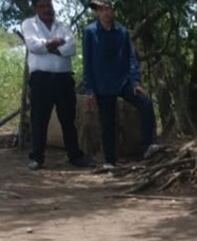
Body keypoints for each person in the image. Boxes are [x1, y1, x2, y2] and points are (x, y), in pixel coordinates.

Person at [83, 0, 160, 169]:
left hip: (122, 81)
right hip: (102, 84)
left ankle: (147, 146)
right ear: (97, 12)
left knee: (145, 104)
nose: (106, 12)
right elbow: (87, 62)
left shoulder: (122, 32)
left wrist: (135, 82)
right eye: (102, 9)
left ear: (112, 10)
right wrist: (89, 89)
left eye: (108, 8)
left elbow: (131, 58)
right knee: (107, 122)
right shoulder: (90, 32)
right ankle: (109, 161)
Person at [22, 0, 88, 170]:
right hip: (40, 79)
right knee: (39, 119)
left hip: (63, 79)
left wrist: (48, 46)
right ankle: (37, 157)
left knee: (68, 119)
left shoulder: (63, 26)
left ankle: (74, 156)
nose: (47, 10)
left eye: (49, 6)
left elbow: (71, 49)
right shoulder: (29, 24)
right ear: (36, 8)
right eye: (42, 6)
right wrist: (57, 44)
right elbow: (34, 46)